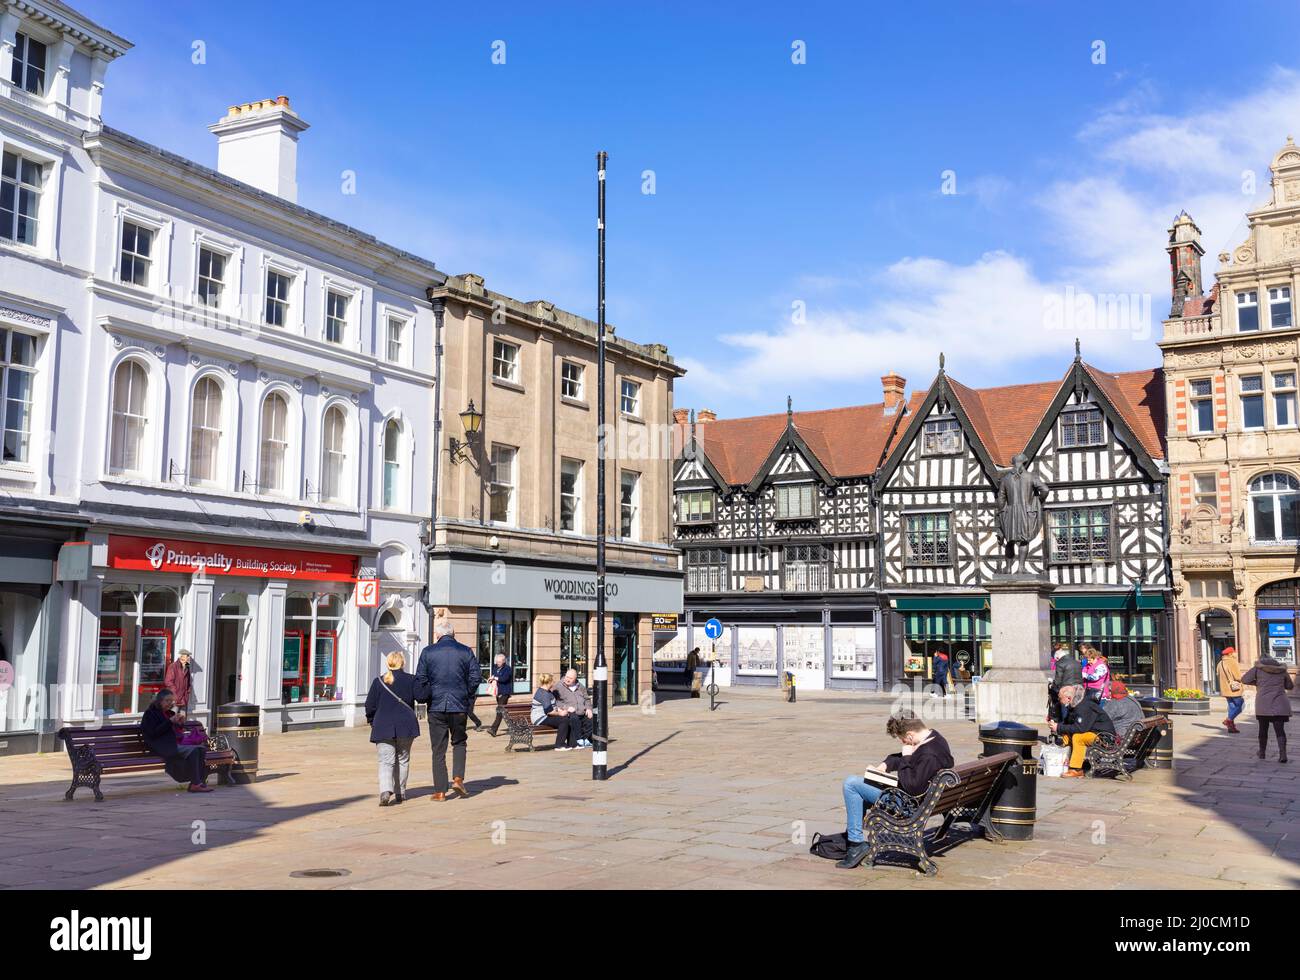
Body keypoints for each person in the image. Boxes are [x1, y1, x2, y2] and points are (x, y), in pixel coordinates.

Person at [837, 713, 954, 869]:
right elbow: (913, 760)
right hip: (920, 798)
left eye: (902, 739)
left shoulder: (929, 755)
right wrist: (886, 765)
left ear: (910, 736)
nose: (902, 742)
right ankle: (853, 840)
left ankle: (855, 843)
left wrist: (906, 756)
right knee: (862, 786)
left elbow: (911, 786)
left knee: (851, 784)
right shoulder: (935, 739)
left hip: (908, 804)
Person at [415, 620, 481, 801]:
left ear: (438, 635)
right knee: (459, 742)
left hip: (436, 706)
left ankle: (440, 791)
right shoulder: (466, 651)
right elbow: (476, 677)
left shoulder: (428, 652)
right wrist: (465, 693)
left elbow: (421, 678)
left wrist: (428, 695)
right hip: (459, 706)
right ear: (454, 633)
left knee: (438, 749)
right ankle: (458, 778)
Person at [364, 651, 427, 806]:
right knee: (403, 759)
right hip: (406, 726)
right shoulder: (411, 679)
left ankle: (385, 791)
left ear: (388, 663)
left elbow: (369, 706)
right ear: (402, 663)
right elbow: (423, 697)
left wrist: (372, 721)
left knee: (386, 761)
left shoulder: (378, 681)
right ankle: (400, 792)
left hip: (383, 726)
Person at [140, 688, 212, 793]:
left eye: (171, 701)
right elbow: (153, 734)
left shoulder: (169, 713)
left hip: (173, 743)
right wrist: (169, 722)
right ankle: (196, 784)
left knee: (201, 749)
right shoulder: (150, 714)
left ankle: (198, 782)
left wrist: (179, 723)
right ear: (159, 701)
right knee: (195, 750)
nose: (170, 703)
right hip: (161, 746)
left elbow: (176, 731)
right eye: (167, 701)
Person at [1049, 683, 1115, 778]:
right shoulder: (1075, 704)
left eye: (1060, 698)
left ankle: (1076, 769)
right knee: (1066, 736)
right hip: (1095, 733)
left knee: (1078, 737)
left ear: (1068, 698)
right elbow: (1068, 724)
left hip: (1105, 738)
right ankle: (1067, 762)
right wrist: (1056, 725)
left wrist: (1058, 727)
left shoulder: (1083, 706)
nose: (1059, 701)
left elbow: (1080, 728)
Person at [1243, 654, 1294, 763]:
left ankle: (1262, 753)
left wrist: (1259, 683)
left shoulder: (1257, 668)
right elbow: (1290, 686)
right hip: (1280, 703)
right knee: (1280, 730)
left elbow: (1244, 680)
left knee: (1263, 728)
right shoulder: (1282, 669)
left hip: (1263, 703)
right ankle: (1283, 754)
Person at [530, 673, 578, 750]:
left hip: (545, 716)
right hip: (540, 718)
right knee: (564, 720)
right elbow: (549, 711)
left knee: (567, 718)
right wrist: (560, 713)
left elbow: (553, 706)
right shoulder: (543, 693)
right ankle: (559, 745)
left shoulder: (548, 692)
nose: (554, 682)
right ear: (549, 682)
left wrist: (561, 711)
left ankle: (572, 744)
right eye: (553, 681)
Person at [554, 668, 594, 748]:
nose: (568, 679)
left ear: (575, 679)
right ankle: (579, 740)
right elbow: (556, 701)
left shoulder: (580, 686)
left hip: (583, 711)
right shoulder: (558, 686)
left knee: (593, 719)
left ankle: (585, 739)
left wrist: (589, 708)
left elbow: (587, 699)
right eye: (567, 677)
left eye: (570, 678)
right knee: (574, 719)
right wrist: (566, 707)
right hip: (570, 713)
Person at [1048, 645, 1084, 723]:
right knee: (1077, 708)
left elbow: (1058, 680)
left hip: (1067, 690)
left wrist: (1053, 686)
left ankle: (1064, 727)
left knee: (1065, 709)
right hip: (1079, 689)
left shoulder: (1060, 663)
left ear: (1057, 658)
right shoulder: (1076, 662)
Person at [1216, 647, 1245, 734]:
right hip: (1234, 689)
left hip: (1225, 689)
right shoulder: (1232, 662)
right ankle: (1228, 720)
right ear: (1230, 654)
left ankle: (1231, 728)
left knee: (1232, 707)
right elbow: (1237, 677)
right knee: (1240, 706)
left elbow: (1218, 675)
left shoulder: (1220, 663)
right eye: (1234, 652)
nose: (1235, 654)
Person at [486, 653, 514, 737]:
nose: (497, 663)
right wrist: (491, 679)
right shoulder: (496, 667)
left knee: (500, 710)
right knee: (503, 711)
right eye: (497, 661)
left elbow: (504, 679)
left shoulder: (507, 669)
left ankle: (493, 730)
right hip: (498, 692)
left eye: (499, 662)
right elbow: (495, 676)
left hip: (504, 692)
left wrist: (495, 678)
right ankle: (513, 726)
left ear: (504, 661)